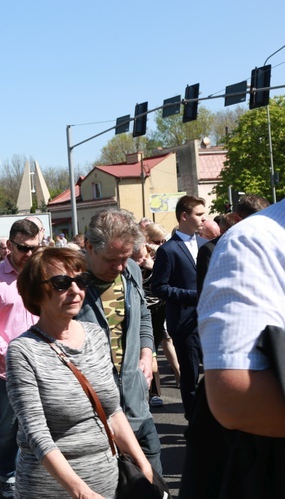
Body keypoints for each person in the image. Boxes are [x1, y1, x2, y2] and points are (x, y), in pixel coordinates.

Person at [7, 247, 154, 498]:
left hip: (109, 482)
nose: (76, 290)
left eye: (80, 281)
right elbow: (37, 434)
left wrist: (142, 460)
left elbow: (113, 411)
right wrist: (81, 491)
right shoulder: (23, 351)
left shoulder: (96, 335)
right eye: (62, 283)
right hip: (51, 489)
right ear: (35, 292)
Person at [186, 200, 285, 498]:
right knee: (189, 380)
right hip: (197, 327)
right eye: (199, 215)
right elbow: (234, 396)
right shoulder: (249, 242)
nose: (205, 222)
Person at [76, 209, 163, 473]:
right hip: (94, 417)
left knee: (154, 484)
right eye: (111, 260)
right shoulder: (68, 284)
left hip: (137, 406)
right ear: (89, 247)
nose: (120, 267)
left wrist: (146, 354)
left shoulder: (132, 271)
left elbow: (144, 315)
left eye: (125, 258)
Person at [0, 218, 41, 498]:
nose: (29, 254)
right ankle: (8, 477)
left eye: (35, 248)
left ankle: (38, 475)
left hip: (43, 362)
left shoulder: (43, 273)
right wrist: (10, 353)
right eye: (24, 248)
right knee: (8, 426)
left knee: (41, 423)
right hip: (6, 368)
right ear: (10, 246)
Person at [151, 194, 207, 419]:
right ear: (184, 216)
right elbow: (159, 287)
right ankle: (193, 422)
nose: (205, 218)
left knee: (215, 372)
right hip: (184, 323)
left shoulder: (205, 244)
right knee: (190, 375)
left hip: (209, 319)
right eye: (199, 214)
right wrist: (194, 296)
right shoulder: (169, 250)